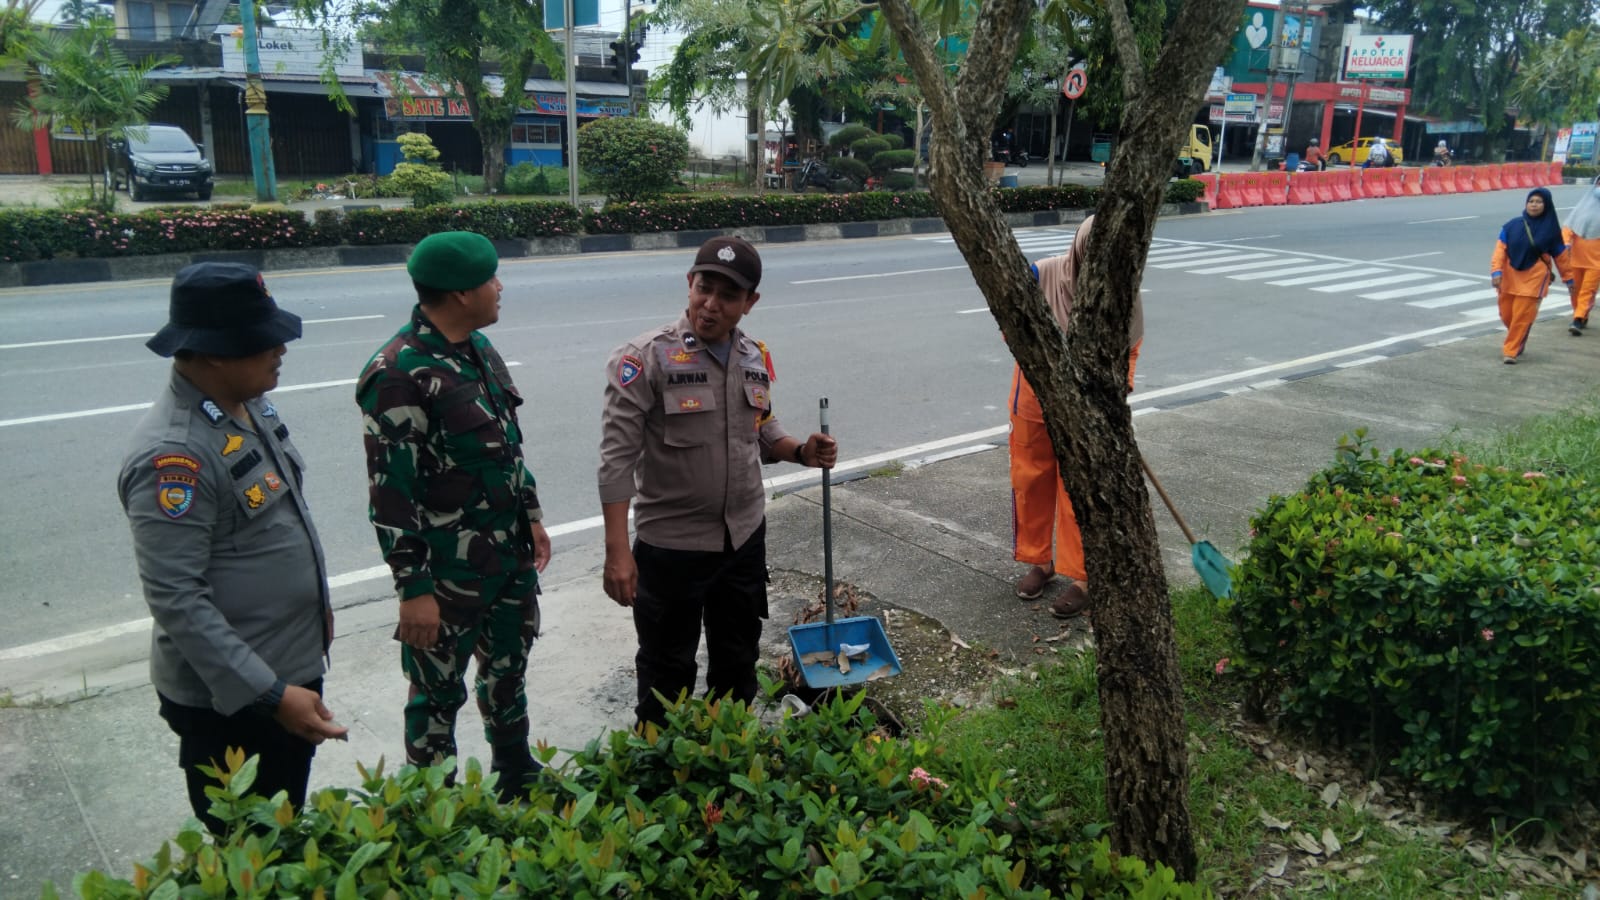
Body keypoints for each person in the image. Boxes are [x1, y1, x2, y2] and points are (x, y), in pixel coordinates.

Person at [117, 262, 346, 835]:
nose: (281, 347)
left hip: (287, 668)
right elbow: (177, 599)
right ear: (214, 352)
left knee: (284, 824)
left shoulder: (250, 403)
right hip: (237, 698)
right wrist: (271, 695)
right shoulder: (176, 456)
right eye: (263, 338)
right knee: (252, 847)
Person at [598, 236, 838, 728]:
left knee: (736, 664)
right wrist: (617, 551)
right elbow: (615, 461)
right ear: (689, 284)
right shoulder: (644, 359)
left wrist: (799, 451)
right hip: (671, 546)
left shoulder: (754, 355)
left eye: (728, 296)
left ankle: (725, 762)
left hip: (743, 538)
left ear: (749, 304)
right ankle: (662, 772)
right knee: (667, 673)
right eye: (704, 288)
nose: (711, 304)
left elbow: (759, 426)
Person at [355, 230, 551, 798]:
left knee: (508, 674)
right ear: (461, 294)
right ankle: (437, 814)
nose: (500, 286)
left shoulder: (477, 349)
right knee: (437, 697)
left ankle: (515, 774)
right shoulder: (398, 373)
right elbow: (390, 494)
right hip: (446, 578)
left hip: (507, 559)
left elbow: (506, 446)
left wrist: (531, 515)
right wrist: (412, 589)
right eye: (491, 279)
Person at [1009, 216, 1142, 618]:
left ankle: (1082, 576)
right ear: (1081, 247)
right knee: (1030, 481)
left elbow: (1130, 349)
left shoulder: (1122, 293)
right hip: (1033, 397)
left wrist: (1115, 394)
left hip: (1089, 408)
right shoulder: (1042, 274)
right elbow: (1011, 326)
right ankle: (1041, 562)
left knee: (1079, 491)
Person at [1491, 188, 1572, 364]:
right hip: (1509, 277)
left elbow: (1561, 257)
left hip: (1534, 278)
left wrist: (1569, 279)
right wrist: (1496, 271)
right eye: (1531, 201)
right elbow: (1499, 251)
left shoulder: (1551, 231)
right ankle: (1520, 334)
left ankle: (1510, 351)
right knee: (1506, 315)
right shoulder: (1511, 225)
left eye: (1539, 202)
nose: (1534, 205)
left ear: (1547, 205)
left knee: (1521, 317)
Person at [1559, 176, 1600, 335]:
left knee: (1587, 291)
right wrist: (1566, 243)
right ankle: (1581, 315)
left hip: (1596, 263)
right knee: (1575, 291)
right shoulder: (1582, 208)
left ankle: (1577, 319)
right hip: (1575, 260)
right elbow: (1569, 227)